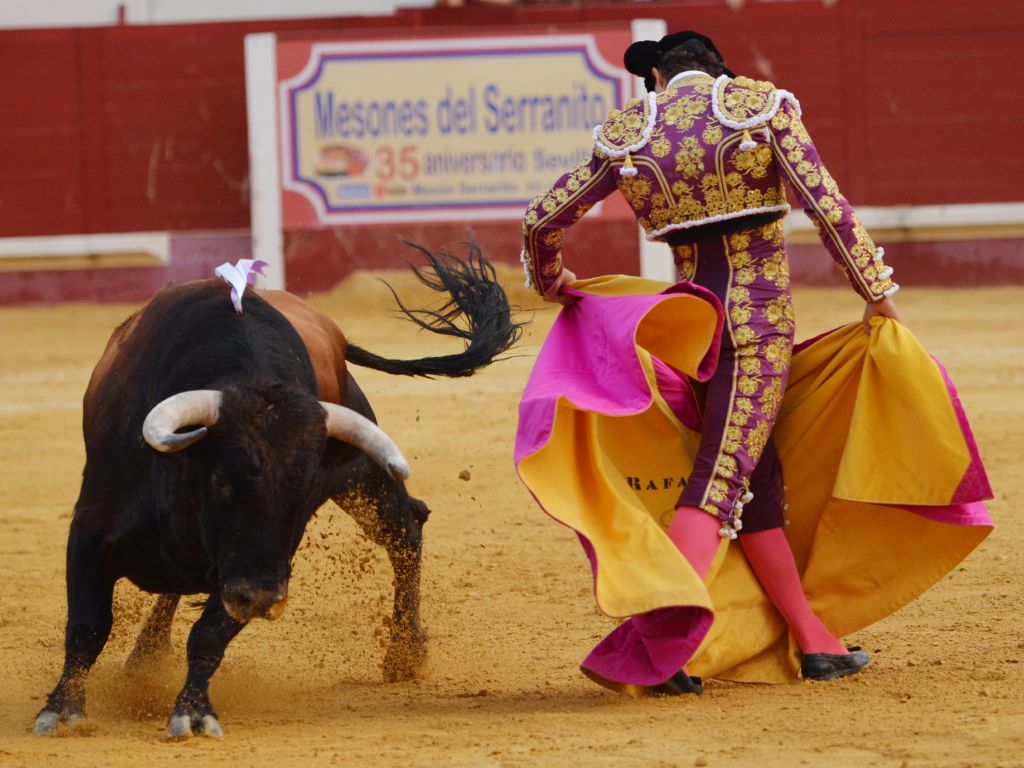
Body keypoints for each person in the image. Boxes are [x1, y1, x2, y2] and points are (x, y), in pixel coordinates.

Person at [520, 31, 902, 689]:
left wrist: (552, 281)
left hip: (692, 333)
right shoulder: (758, 108)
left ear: (661, 80)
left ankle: (815, 641)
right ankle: (657, 649)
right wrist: (877, 295)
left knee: (756, 482)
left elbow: (540, 222)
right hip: (757, 327)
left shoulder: (632, 133)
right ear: (715, 70)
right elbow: (828, 209)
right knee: (726, 474)